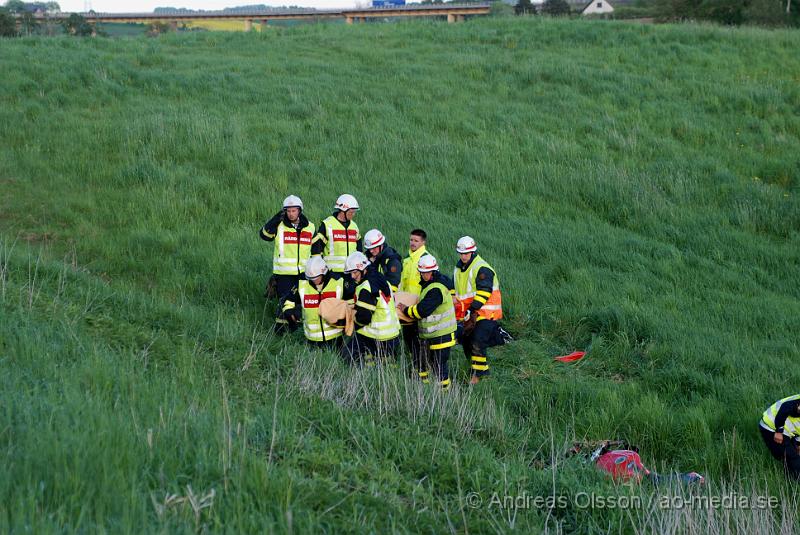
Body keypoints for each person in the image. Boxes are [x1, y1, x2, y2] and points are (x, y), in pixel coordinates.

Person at [398, 255, 456, 390]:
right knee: (433, 363)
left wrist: (406, 310)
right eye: (422, 273)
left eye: (427, 273)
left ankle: (444, 393)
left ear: (434, 271)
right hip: (435, 334)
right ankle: (431, 390)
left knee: (439, 365)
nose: (424, 275)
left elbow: (422, 311)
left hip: (441, 334)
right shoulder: (433, 284)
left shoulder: (435, 289)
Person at [259, 195, 315, 330]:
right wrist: (276, 218)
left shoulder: (311, 227)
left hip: (303, 273)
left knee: (300, 301)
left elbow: (315, 249)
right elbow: (264, 235)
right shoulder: (279, 226)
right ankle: (280, 331)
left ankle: (297, 330)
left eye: (294, 211)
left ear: (300, 211)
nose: (291, 214)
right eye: (288, 211)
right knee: (284, 302)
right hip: (283, 273)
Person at [453, 236, 503, 385]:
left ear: (473, 252)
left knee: (477, 341)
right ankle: (479, 370)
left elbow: (484, 292)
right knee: (467, 342)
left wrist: (471, 309)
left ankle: (478, 376)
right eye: (460, 253)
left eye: (466, 253)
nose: (463, 256)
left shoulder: (482, 268)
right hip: (469, 313)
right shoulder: (458, 268)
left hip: (486, 313)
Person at [341, 251, 401, 366]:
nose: (352, 276)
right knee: (386, 365)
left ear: (363, 269)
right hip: (392, 335)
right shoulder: (379, 277)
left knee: (347, 354)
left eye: (354, 273)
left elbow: (364, 318)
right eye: (351, 273)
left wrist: (352, 324)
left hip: (376, 336)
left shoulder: (366, 287)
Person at [281, 256, 350, 352]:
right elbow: (288, 302)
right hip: (312, 339)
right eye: (311, 278)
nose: (314, 281)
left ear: (324, 273)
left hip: (336, 338)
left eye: (316, 278)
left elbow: (351, 301)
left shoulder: (338, 282)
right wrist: (290, 313)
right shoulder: (302, 285)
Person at [398, 229, 431, 368]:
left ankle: (422, 366)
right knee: (408, 338)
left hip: (418, 306)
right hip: (406, 305)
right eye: (411, 240)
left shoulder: (426, 259)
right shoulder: (407, 259)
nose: (412, 243)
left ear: (423, 242)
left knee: (419, 340)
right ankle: (415, 364)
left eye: (416, 241)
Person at [311, 194, 361, 273]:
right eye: (351, 212)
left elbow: (359, 251)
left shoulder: (354, 226)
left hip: (351, 273)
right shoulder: (327, 225)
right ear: (342, 210)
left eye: (354, 212)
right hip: (333, 274)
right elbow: (317, 249)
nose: (353, 214)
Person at [759, 394, 800, 480]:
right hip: (771, 427)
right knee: (792, 457)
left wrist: (798, 444)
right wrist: (779, 431)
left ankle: (790, 479)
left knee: (794, 455)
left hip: (788, 431)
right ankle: (794, 481)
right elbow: (785, 407)